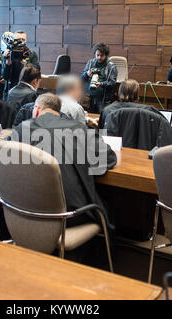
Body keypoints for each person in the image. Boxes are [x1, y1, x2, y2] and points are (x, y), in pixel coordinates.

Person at [10, 93, 117, 228]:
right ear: (58, 111)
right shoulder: (79, 129)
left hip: (23, 207)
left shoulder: (22, 129)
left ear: (36, 110)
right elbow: (108, 159)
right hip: (69, 213)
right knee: (110, 209)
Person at [99, 79, 164, 130]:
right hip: (142, 146)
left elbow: (102, 134)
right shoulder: (149, 110)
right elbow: (164, 128)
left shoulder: (107, 110)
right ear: (137, 95)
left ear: (119, 93)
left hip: (113, 146)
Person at [81, 43, 118, 114]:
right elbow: (82, 78)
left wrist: (101, 84)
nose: (99, 57)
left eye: (102, 55)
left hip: (103, 101)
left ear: (106, 55)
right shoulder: (90, 63)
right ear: (94, 54)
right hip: (88, 99)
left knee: (102, 121)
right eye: (97, 55)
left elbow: (112, 83)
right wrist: (86, 74)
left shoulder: (111, 66)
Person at [2, 30, 40, 98]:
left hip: (27, 92)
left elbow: (37, 71)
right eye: (19, 39)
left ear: (26, 41)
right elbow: (5, 76)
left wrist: (27, 64)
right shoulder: (9, 54)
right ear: (14, 40)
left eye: (23, 39)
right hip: (11, 90)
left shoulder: (31, 53)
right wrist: (7, 64)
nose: (21, 42)